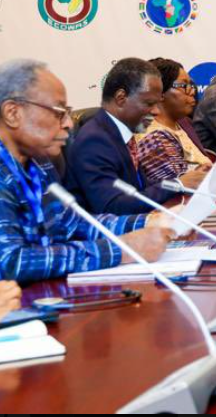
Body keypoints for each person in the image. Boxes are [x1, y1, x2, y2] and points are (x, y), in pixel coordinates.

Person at [0, 59, 173, 283]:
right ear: (13, 113)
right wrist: (121, 250)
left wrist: (148, 222)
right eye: (58, 112)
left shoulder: (39, 165)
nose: (68, 124)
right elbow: (11, 262)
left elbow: (73, 225)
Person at [66, 58, 204, 215]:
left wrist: (188, 178)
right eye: (149, 103)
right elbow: (112, 206)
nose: (156, 111)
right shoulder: (95, 140)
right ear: (121, 98)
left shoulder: (119, 133)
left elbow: (141, 188)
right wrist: (178, 184)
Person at [136, 59, 213, 185]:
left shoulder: (183, 123)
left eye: (191, 85)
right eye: (184, 86)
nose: (192, 91)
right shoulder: (154, 139)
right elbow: (180, 188)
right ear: (159, 92)